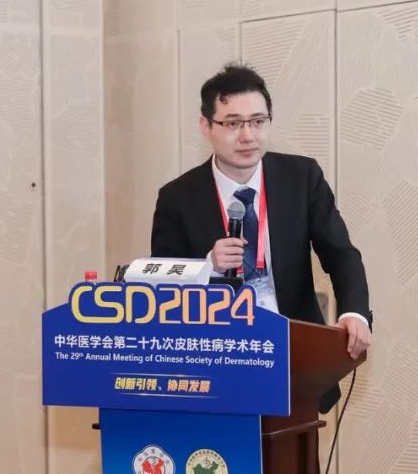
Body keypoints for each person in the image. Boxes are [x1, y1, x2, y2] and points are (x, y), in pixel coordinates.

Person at [150, 62, 372, 411]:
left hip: (294, 361)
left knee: (293, 445)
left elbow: (341, 253)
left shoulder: (302, 178)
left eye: (257, 121)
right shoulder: (177, 197)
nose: (248, 136)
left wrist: (355, 313)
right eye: (232, 123)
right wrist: (207, 266)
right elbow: (160, 285)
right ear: (206, 126)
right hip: (215, 366)